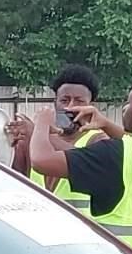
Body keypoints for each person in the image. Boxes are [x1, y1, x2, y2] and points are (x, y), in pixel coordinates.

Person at [22, 72, 132, 254]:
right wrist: (105, 123)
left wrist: (41, 124)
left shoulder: (112, 154)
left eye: (129, 103)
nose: (125, 109)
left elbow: (41, 160)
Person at [8, 65, 113, 212]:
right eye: (64, 100)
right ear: (55, 103)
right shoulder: (33, 139)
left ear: (91, 106)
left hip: (80, 231)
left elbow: (84, 162)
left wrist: (38, 131)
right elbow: (12, 182)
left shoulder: (99, 140)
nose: (70, 107)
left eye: (79, 101)